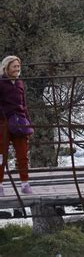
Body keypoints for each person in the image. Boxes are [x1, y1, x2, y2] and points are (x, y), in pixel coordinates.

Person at [0, 56, 33, 196]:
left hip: (20, 122)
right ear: (6, 67)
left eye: (18, 67)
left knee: (23, 154)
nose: (17, 69)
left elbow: (23, 104)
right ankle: (0, 185)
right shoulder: (0, 82)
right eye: (14, 66)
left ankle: (25, 184)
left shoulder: (20, 83)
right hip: (3, 123)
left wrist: (28, 121)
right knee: (1, 155)